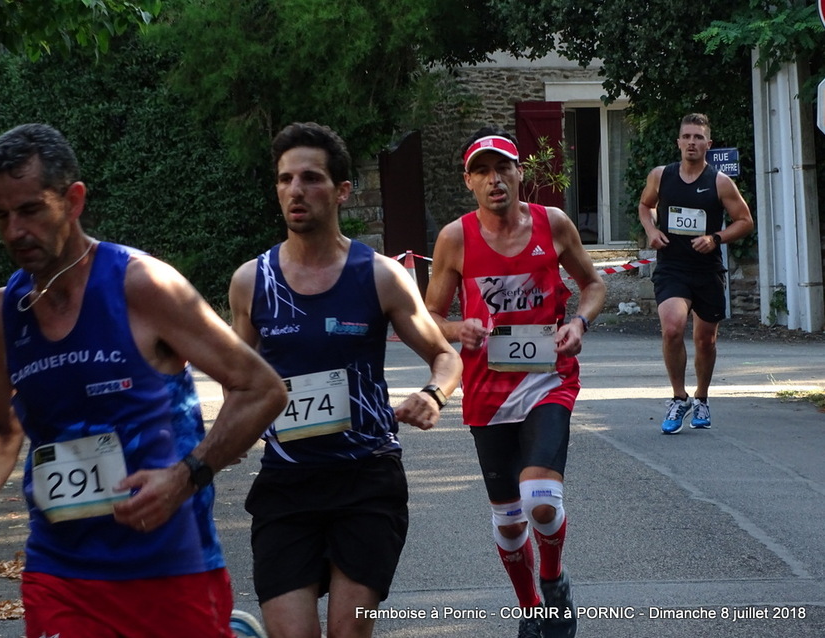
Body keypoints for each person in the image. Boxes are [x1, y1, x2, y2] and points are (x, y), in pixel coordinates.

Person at [0, 123, 288, 638]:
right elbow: (5, 430)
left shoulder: (142, 286)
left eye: (30, 210)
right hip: (61, 571)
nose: (14, 232)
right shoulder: (0, 315)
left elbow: (262, 388)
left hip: (169, 564)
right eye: (0, 216)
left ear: (73, 200)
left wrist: (186, 476)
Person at [228, 122, 462, 638]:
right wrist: (230, 433)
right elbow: (238, 380)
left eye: (310, 178)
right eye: (285, 179)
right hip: (287, 484)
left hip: (366, 479)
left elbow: (446, 356)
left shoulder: (379, 275)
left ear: (341, 191)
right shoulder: (252, 282)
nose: (295, 190)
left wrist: (433, 394)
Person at [425, 126, 606, 638]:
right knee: (508, 521)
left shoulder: (554, 224)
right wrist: (459, 328)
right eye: (482, 171)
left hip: (549, 380)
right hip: (486, 391)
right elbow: (429, 313)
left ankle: (552, 581)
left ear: (520, 173)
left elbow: (593, 285)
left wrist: (579, 322)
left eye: (502, 167)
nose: (494, 179)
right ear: (469, 182)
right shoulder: (455, 238)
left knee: (541, 499)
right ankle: (531, 606)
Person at [638, 113, 753, 435]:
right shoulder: (661, 176)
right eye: (686, 136)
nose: (692, 142)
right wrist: (651, 229)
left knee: (705, 340)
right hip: (672, 267)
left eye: (698, 137)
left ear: (708, 144)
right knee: (672, 328)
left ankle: (701, 397)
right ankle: (678, 397)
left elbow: (744, 221)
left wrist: (715, 238)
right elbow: (645, 206)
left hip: (706, 269)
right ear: (678, 142)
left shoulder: (719, 182)